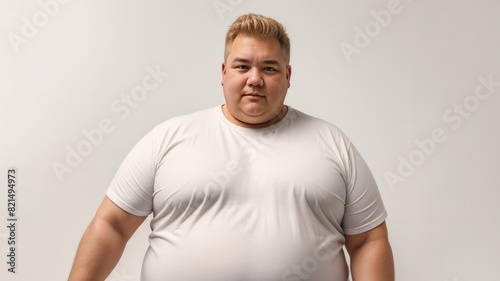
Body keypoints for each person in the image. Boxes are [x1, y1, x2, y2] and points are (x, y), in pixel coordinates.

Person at [68, 13, 394, 281]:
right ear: (223, 73)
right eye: (242, 67)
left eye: (269, 68)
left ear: (288, 76)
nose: (255, 79)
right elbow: (112, 225)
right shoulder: (168, 139)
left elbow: (368, 240)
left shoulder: (333, 144)